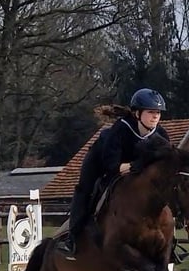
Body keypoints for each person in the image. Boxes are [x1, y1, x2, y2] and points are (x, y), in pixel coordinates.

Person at [56, 88, 170, 259]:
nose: (155, 116)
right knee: (85, 190)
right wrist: (136, 165)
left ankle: (170, 244)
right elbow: (111, 166)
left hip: (132, 168)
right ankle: (73, 237)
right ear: (137, 113)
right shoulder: (121, 129)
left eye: (158, 113)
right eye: (151, 112)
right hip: (102, 161)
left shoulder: (160, 134)